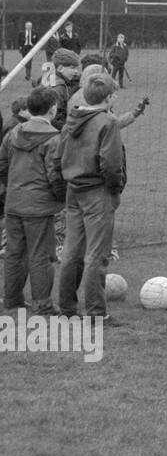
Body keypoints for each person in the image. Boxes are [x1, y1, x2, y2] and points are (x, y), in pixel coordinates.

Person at [54, 75, 124, 324]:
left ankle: (67, 309)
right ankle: (96, 312)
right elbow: (112, 164)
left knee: (72, 251)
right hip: (97, 191)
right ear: (108, 97)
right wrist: (114, 190)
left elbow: (57, 156)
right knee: (97, 253)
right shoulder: (108, 122)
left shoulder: (72, 119)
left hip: (74, 190)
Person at [0, 87, 64, 314]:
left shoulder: (13, 133)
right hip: (38, 207)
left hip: (14, 203)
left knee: (14, 253)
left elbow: (3, 166)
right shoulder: (54, 139)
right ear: (53, 108)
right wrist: (61, 197)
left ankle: (12, 299)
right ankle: (43, 304)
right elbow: (55, 174)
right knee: (41, 255)